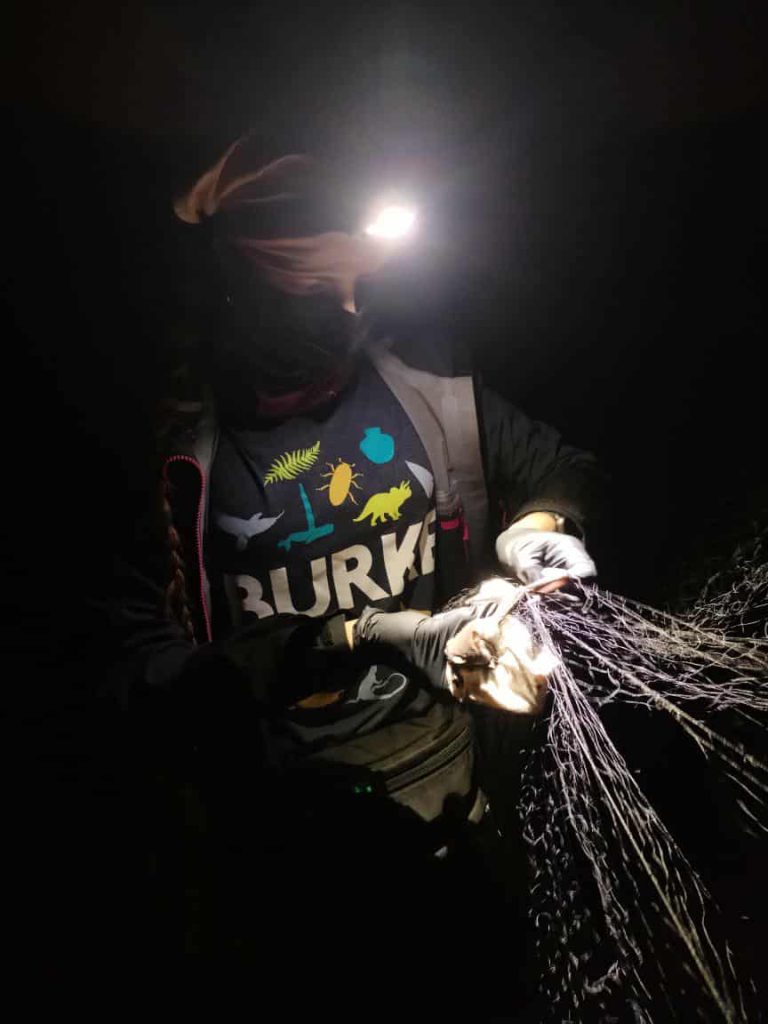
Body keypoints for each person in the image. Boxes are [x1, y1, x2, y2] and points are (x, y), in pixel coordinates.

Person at [107, 135, 603, 951]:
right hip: (279, 847)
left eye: (358, 285)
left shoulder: (429, 385)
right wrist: (351, 638)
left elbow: (559, 466)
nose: (343, 312)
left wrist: (540, 529)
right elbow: (132, 674)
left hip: (457, 806)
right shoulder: (169, 453)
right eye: (308, 290)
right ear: (232, 290)